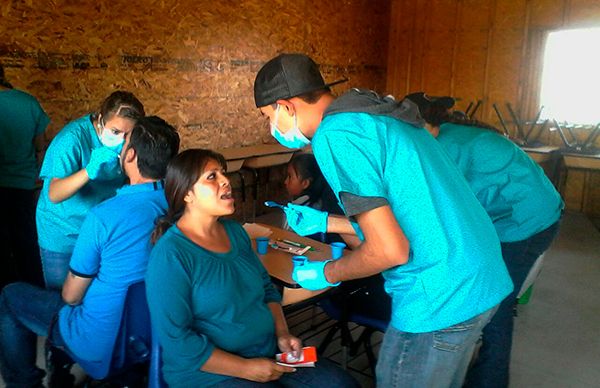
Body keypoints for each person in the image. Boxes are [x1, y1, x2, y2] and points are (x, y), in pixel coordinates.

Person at [253, 53, 513, 388]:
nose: (272, 128)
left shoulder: (336, 135)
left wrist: (325, 273)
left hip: (438, 295)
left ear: (286, 107)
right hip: (478, 275)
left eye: (267, 117)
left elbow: (390, 250)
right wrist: (328, 223)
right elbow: (409, 212)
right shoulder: (379, 117)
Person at [146, 149, 358, 388]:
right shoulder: (171, 255)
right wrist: (245, 368)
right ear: (187, 194)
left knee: (341, 384)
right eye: (212, 177)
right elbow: (177, 340)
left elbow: (267, 289)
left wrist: (282, 334)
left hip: (267, 353)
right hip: (210, 374)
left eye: (223, 173)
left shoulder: (235, 232)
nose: (226, 181)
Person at [0, 116, 180, 388]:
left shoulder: (102, 217)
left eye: (124, 142)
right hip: (154, 334)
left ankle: (25, 383)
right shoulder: (181, 207)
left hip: (100, 341)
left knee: (9, 296)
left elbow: (71, 297)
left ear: (130, 155)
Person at [405, 91, 564, 388]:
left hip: (526, 223)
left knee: (497, 304)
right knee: (493, 296)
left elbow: (444, 208)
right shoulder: (451, 135)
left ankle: (490, 381)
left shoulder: (447, 147)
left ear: (417, 122)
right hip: (534, 212)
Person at [36, 90, 145, 289]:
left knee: (92, 291)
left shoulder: (131, 145)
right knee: (61, 295)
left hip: (97, 230)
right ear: (101, 120)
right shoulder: (72, 140)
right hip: (63, 230)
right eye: (115, 132)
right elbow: (54, 193)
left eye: (129, 134)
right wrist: (88, 171)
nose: (122, 140)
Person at [0, 64, 48, 289]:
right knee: (25, 239)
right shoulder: (28, 103)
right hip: (23, 183)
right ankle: (30, 289)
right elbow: (39, 146)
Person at [282, 152, 349, 244]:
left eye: (290, 177)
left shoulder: (302, 211)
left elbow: (287, 237)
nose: (285, 182)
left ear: (305, 183)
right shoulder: (319, 202)